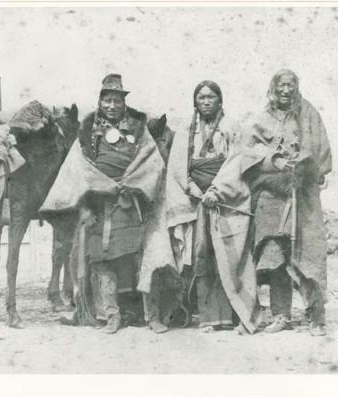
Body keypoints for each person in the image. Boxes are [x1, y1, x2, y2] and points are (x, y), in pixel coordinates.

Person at [40, 74, 178, 334]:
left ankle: (152, 316)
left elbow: (152, 163)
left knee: (144, 258)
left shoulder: (139, 128)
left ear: (124, 103)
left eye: (117, 101)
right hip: (100, 206)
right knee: (102, 260)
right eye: (107, 101)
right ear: (100, 102)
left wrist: (134, 185)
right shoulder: (88, 130)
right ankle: (111, 315)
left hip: (135, 202)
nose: (112, 106)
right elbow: (77, 170)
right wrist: (90, 199)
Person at [166, 80, 261, 333]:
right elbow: (177, 166)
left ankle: (240, 315)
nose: (206, 101)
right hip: (197, 202)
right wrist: (191, 187)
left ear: (220, 100)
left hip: (226, 201)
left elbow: (236, 162)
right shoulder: (186, 131)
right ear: (195, 102)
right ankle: (209, 317)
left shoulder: (232, 128)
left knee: (232, 257)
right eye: (201, 98)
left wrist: (217, 191)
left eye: (211, 97)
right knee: (202, 257)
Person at [244, 69, 332, 336]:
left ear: (296, 87)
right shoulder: (262, 118)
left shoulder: (309, 114)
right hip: (271, 196)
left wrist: (302, 164)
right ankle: (281, 315)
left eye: (290, 85)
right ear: (273, 87)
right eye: (280, 85)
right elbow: (248, 149)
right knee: (276, 255)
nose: (285, 90)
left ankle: (316, 316)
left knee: (309, 253)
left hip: (302, 194)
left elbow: (320, 150)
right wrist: (275, 160)